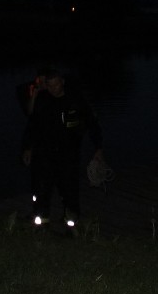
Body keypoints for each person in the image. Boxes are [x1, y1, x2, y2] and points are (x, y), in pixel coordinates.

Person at [21, 68, 104, 228]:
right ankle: (41, 224)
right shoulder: (43, 99)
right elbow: (33, 124)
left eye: (55, 85)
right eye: (49, 85)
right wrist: (28, 148)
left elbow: (92, 124)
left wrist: (98, 148)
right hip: (45, 153)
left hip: (69, 154)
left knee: (69, 190)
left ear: (62, 83)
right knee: (42, 189)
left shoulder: (76, 100)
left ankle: (71, 225)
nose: (52, 89)